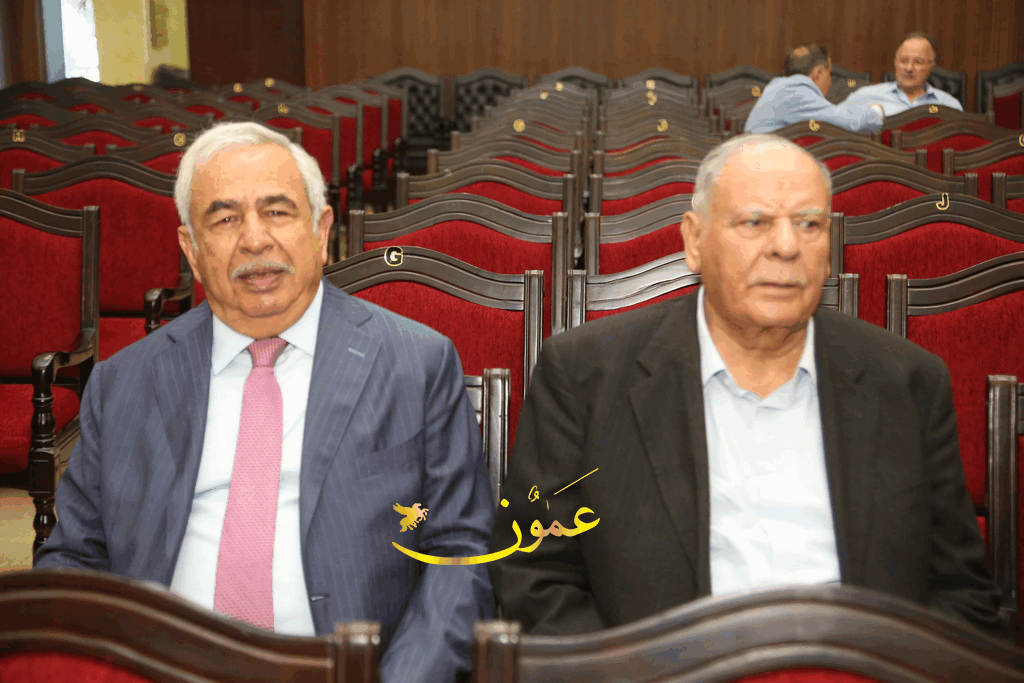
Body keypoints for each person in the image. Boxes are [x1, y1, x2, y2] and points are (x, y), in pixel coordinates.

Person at [487, 134, 1008, 641]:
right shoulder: (585, 375)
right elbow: (535, 577)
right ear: (694, 240)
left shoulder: (907, 381)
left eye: (809, 224)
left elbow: (960, 593)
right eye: (755, 222)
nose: (786, 247)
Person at [34, 121, 495, 683]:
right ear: (191, 249)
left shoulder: (416, 364)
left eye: (277, 211)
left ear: (320, 231)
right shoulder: (122, 383)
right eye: (225, 219)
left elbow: (457, 554)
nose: (254, 240)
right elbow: (74, 561)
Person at [744, 44, 884, 134]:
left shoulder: (783, 88)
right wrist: (877, 110)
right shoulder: (795, 93)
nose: (830, 81)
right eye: (829, 73)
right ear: (818, 73)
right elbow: (848, 123)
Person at [844, 33, 963, 115]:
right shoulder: (865, 96)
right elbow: (838, 127)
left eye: (918, 62)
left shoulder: (949, 105)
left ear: (931, 67)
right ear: (895, 63)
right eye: (904, 61)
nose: (909, 68)